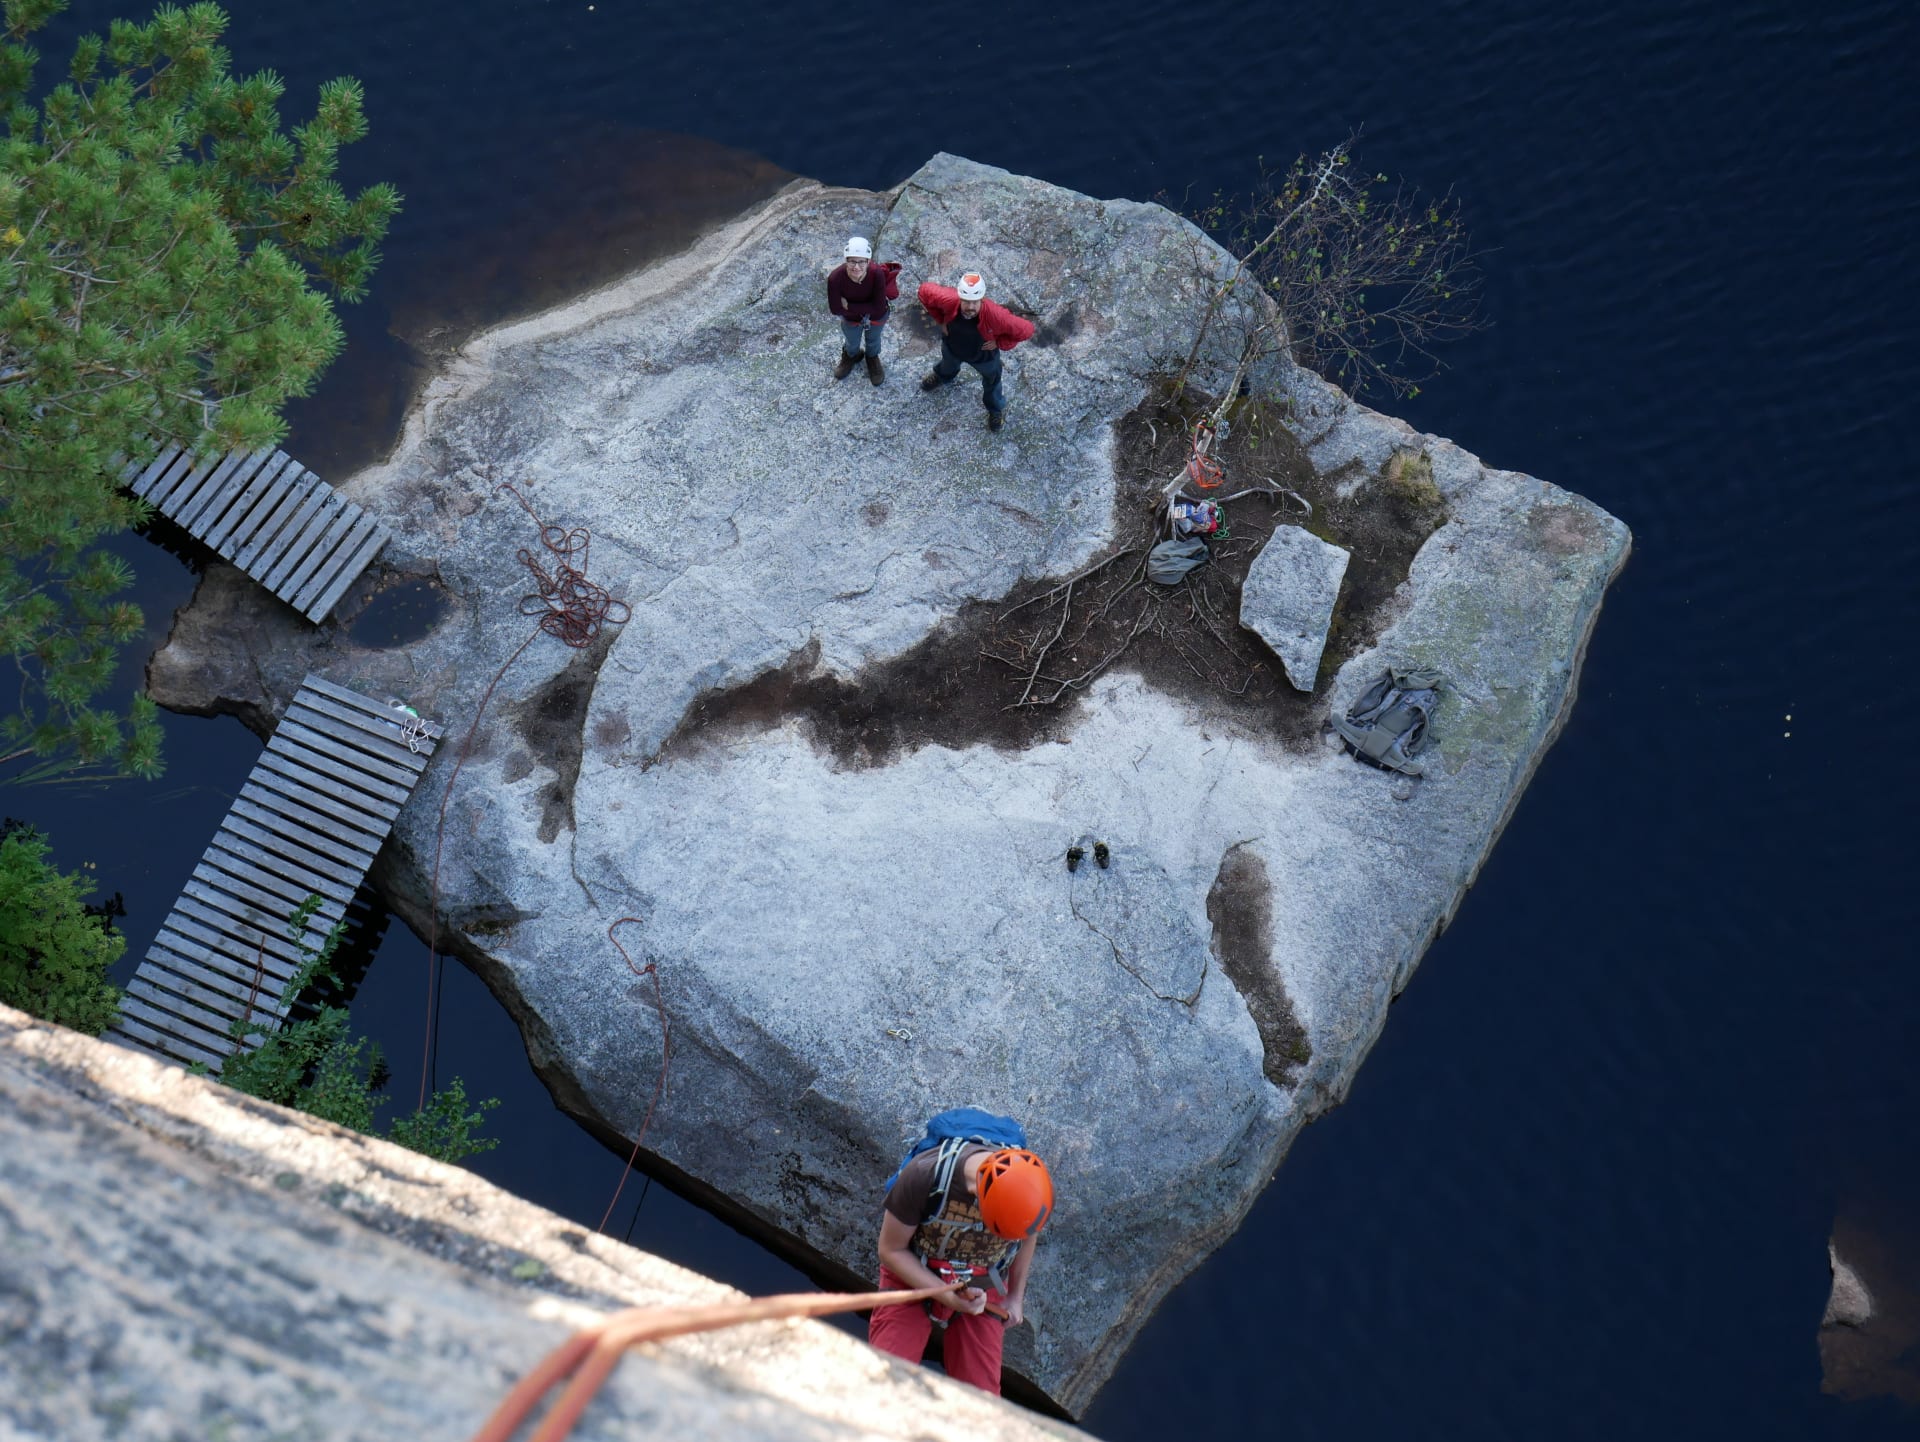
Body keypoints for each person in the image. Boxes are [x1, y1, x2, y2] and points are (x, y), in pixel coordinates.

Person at [868, 1141, 1054, 1395]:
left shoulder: (1036, 1189)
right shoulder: (922, 1176)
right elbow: (891, 1251)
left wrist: (1015, 1297)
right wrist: (944, 1294)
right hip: (912, 1271)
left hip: (983, 1283)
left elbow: (1029, 1233)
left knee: (982, 1400)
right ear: (977, 1199)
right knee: (883, 1387)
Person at [917, 270, 1036, 432]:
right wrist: (940, 320)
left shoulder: (997, 315)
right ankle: (942, 376)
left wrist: (1000, 342)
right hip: (953, 346)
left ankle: (995, 410)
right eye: (966, 302)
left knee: (992, 382)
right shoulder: (949, 299)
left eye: (975, 302)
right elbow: (924, 291)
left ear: (982, 298)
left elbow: (1027, 329)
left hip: (984, 357)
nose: (970, 307)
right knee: (947, 365)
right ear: (960, 297)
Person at [826, 236, 900, 385]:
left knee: (873, 340)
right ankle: (851, 355)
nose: (856, 267)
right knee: (851, 341)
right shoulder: (835, 278)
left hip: (874, 316)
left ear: (868, 261)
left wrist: (849, 306)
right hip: (852, 319)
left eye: (861, 262)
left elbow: (879, 307)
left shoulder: (876, 273)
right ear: (846, 260)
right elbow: (835, 309)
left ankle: (872, 358)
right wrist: (865, 308)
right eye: (852, 261)